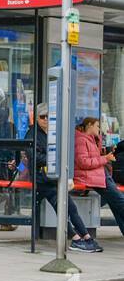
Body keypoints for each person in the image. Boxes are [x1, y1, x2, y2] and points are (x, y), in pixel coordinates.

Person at [30, 103, 99, 252]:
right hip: (41, 179)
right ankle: (75, 238)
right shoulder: (33, 134)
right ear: (36, 118)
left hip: (53, 178)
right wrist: (53, 157)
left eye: (49, 116)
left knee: (69, 207)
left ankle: (85, 236)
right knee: (61, 205)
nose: (46, 119)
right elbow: (34, 157)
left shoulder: (53, 133)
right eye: (43, 117)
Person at [75, 116, 123, 241]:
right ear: (89, 125)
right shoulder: (81, 139)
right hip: (92, 176)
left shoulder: (92, 139)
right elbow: (83, 162)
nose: (99, 129)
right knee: (120, 202)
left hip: (100, 174)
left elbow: (93, 157)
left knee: (116, 204)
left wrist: (105, 152)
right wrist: (105, 159)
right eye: (97, 126)